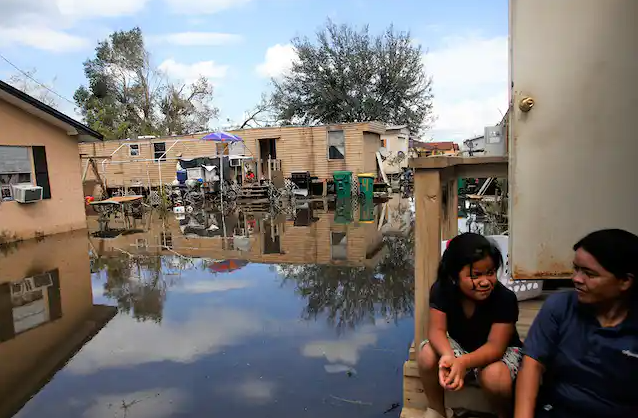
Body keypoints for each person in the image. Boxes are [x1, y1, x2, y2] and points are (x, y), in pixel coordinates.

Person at [515, 229, 638, 418]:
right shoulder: (560, 307)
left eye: (589, 274)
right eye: (576, 269)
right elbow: (531, 365)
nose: (576, 279)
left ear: (625, 282)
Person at [417, 233, 522, 418]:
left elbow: (495, 347)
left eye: (490, 273)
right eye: (476, 275)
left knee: (494, 376)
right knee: (427, 353)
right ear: (454, 276)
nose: (485, 282)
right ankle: (437, 411)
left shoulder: (504, 299)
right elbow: (437, 330)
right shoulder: (442, 289)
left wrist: (462, 363)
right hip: (462, 348)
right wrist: (449, 357)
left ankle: (504, 414)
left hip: (498, 355)